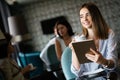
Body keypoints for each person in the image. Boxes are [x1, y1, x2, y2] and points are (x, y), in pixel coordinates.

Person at [69, 2, 118, 80]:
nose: (84, 19)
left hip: (106, 76)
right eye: (81, 16)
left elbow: (113, 64)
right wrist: (74, 51)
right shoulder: (79, 39)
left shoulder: (109, 34)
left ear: (95, 16)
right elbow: (76, 72)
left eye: (87, 15)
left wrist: (103, 61)